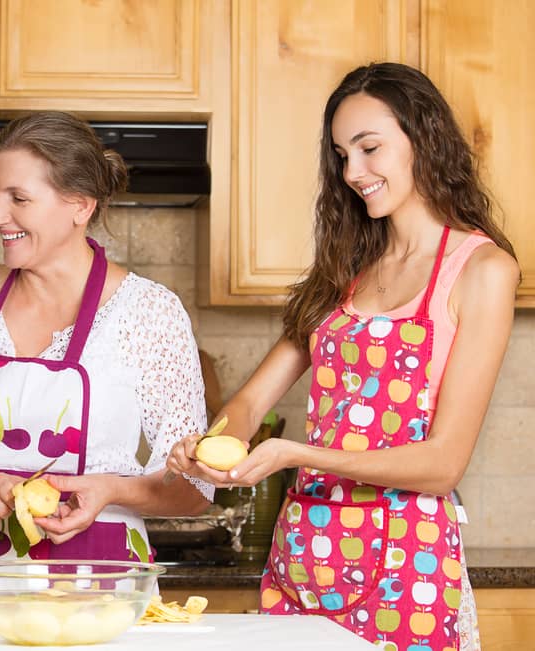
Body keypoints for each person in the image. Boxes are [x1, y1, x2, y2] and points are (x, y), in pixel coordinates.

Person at [168, 62, 518, 650]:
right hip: (304, 556)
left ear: (424, 137)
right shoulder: (345, 270)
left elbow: (443, 464)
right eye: (341, 155)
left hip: (407, 569)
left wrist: (295, 453)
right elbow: (253, 400)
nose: (353, 172)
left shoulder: (481, 270)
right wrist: (211, 444)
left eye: (370, 148)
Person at [0, 111, 213, 561]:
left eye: (18, 198)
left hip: (99, 583)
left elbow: (195, 486)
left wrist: (110, 491)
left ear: (80, 205)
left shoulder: (149, 312)